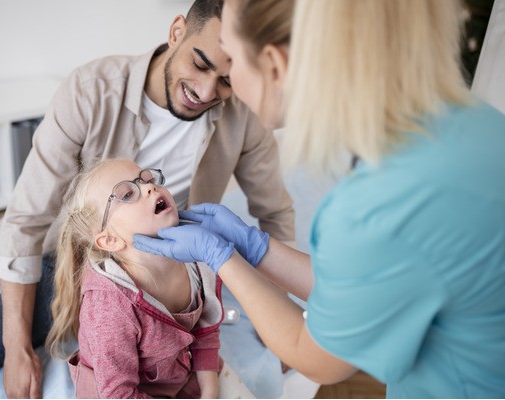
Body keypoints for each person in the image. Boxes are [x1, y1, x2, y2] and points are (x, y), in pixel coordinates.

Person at [0, 0, 295, 397]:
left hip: (95, 252)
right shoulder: (91, 90)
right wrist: (16, 346)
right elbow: (27, 216)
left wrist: (283, 324)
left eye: (227, 80)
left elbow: (275, 212)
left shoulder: (242, 117)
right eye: (200, 64)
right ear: (177, 31)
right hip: (52, 225)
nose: (207, 91)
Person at [133, 0, 505, 397]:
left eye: (232, 58)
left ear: (274, 65)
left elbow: (317, 356)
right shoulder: (475, 123)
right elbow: (361, 284)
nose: (226, 81)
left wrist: (223, 258)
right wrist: (254, 248)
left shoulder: (376, 207)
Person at [45, 159, 224, 398]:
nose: (150, 188)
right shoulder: (110, 307)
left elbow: (206, 331)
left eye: (147, 179)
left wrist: (209, 393)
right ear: (110, 240)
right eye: (127, 194)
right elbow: (119, 394)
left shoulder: (198, 263)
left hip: (177, 377)